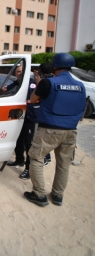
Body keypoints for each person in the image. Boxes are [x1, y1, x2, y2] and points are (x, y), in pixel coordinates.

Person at [24, 53, 87, 207]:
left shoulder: (48, 83)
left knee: (36, 158)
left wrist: (39, 84)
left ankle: (39, 194)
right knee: (63, 164)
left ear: (54, 66)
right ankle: (58, 195)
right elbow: (82, 108)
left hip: (50, 129)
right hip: (71, 131)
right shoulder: (80, 85)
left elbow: (33, 100)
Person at [17, 63, 54, 180]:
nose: (19, 74)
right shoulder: (18, 82)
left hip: (33, 116)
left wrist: (38, 82)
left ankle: (28, 169)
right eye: (17, 71)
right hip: (22, 116)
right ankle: (19, 160)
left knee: (30, 143)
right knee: (20, 138)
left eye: (21, 71)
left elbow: (34, 98)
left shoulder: (41, 82)